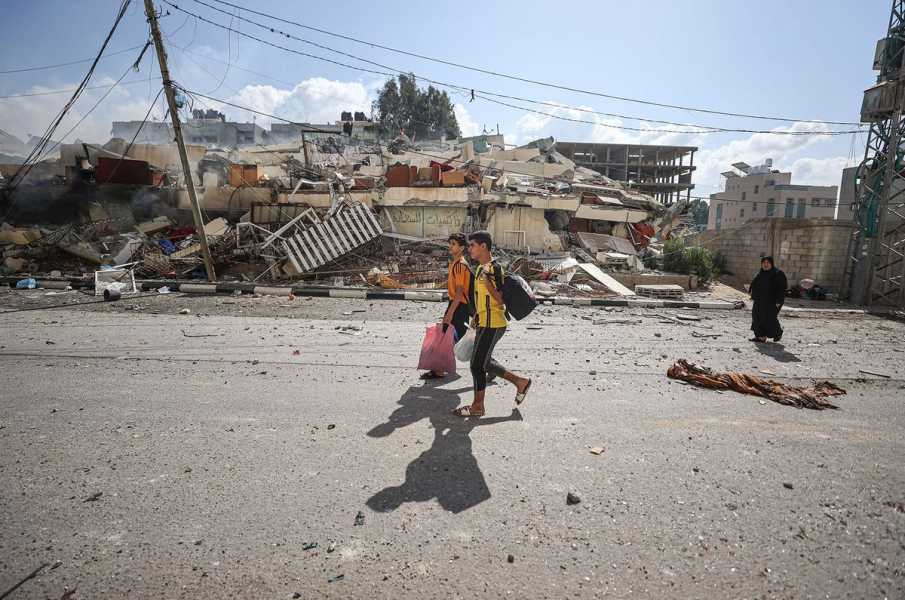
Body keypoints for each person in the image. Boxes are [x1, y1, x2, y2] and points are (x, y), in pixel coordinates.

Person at [453, 230, 532, 417]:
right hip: (484, 322)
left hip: (494, 324)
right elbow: (482, 299)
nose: (469, 249)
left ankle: (477, 406)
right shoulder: (480, 268)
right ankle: (520, 382)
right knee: (484, 362)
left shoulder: (494, 269)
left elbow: (499, 301)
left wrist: (489, 286)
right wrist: (476, 318)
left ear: (483, 246)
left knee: (476, 365)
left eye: (472, 245)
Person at [420, 233, 473, 380]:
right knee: (452, 338)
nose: (450, 246)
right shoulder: (455, 263)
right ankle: (439, 370)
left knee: (455, 338)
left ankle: (490, 364)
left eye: (454, 244)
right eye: (450, 243)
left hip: (459, 305)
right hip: (456, 304)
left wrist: (450, 312)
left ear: (462, 248)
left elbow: (460, 291)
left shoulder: (460, 265)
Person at [749, 255, 788, 343]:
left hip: (772, 301)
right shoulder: (760, 273)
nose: (765, 264)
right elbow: (754, 284)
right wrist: (753, 295)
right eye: (764, 263)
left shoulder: (778, 274)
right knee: (756, 317)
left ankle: (778, 333)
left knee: (769, 318)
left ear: (771, 264)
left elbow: (781, 288)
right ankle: (760, 337)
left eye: (768, 263)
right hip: (759, 300)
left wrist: (779, 301)